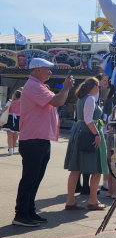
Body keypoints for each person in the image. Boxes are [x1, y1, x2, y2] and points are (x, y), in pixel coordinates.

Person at [13, 58, 73, 227]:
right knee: (30, 179)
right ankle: (21, 214)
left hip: (39, 138)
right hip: (34, 139)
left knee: (34, 178)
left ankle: (29, 211)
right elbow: (57, 101)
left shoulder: (36, 86)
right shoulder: (33, 86)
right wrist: (66, 87)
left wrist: (65, 89)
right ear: (37, 69)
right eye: (47, 69)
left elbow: (57, 100)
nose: (50, 72)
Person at [63, 77, 108, 210]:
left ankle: (70, 200)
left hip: (80, 133)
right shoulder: (89, 99)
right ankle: (93, 201)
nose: (99, 89)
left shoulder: (81, 99)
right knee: (96, 169)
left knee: (75, 169)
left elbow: (83, 118)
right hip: (89, 134)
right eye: (98, 87)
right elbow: (89, 119)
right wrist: (97, 134)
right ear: (94, 87)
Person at [1, 90, 21, 155]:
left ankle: (10, 150)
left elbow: (5, 109)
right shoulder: (22, 103)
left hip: (10, 118)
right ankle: (12, 148)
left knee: (9, 136)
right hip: (18, 119)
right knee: (15, 136)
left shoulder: (10, 102)